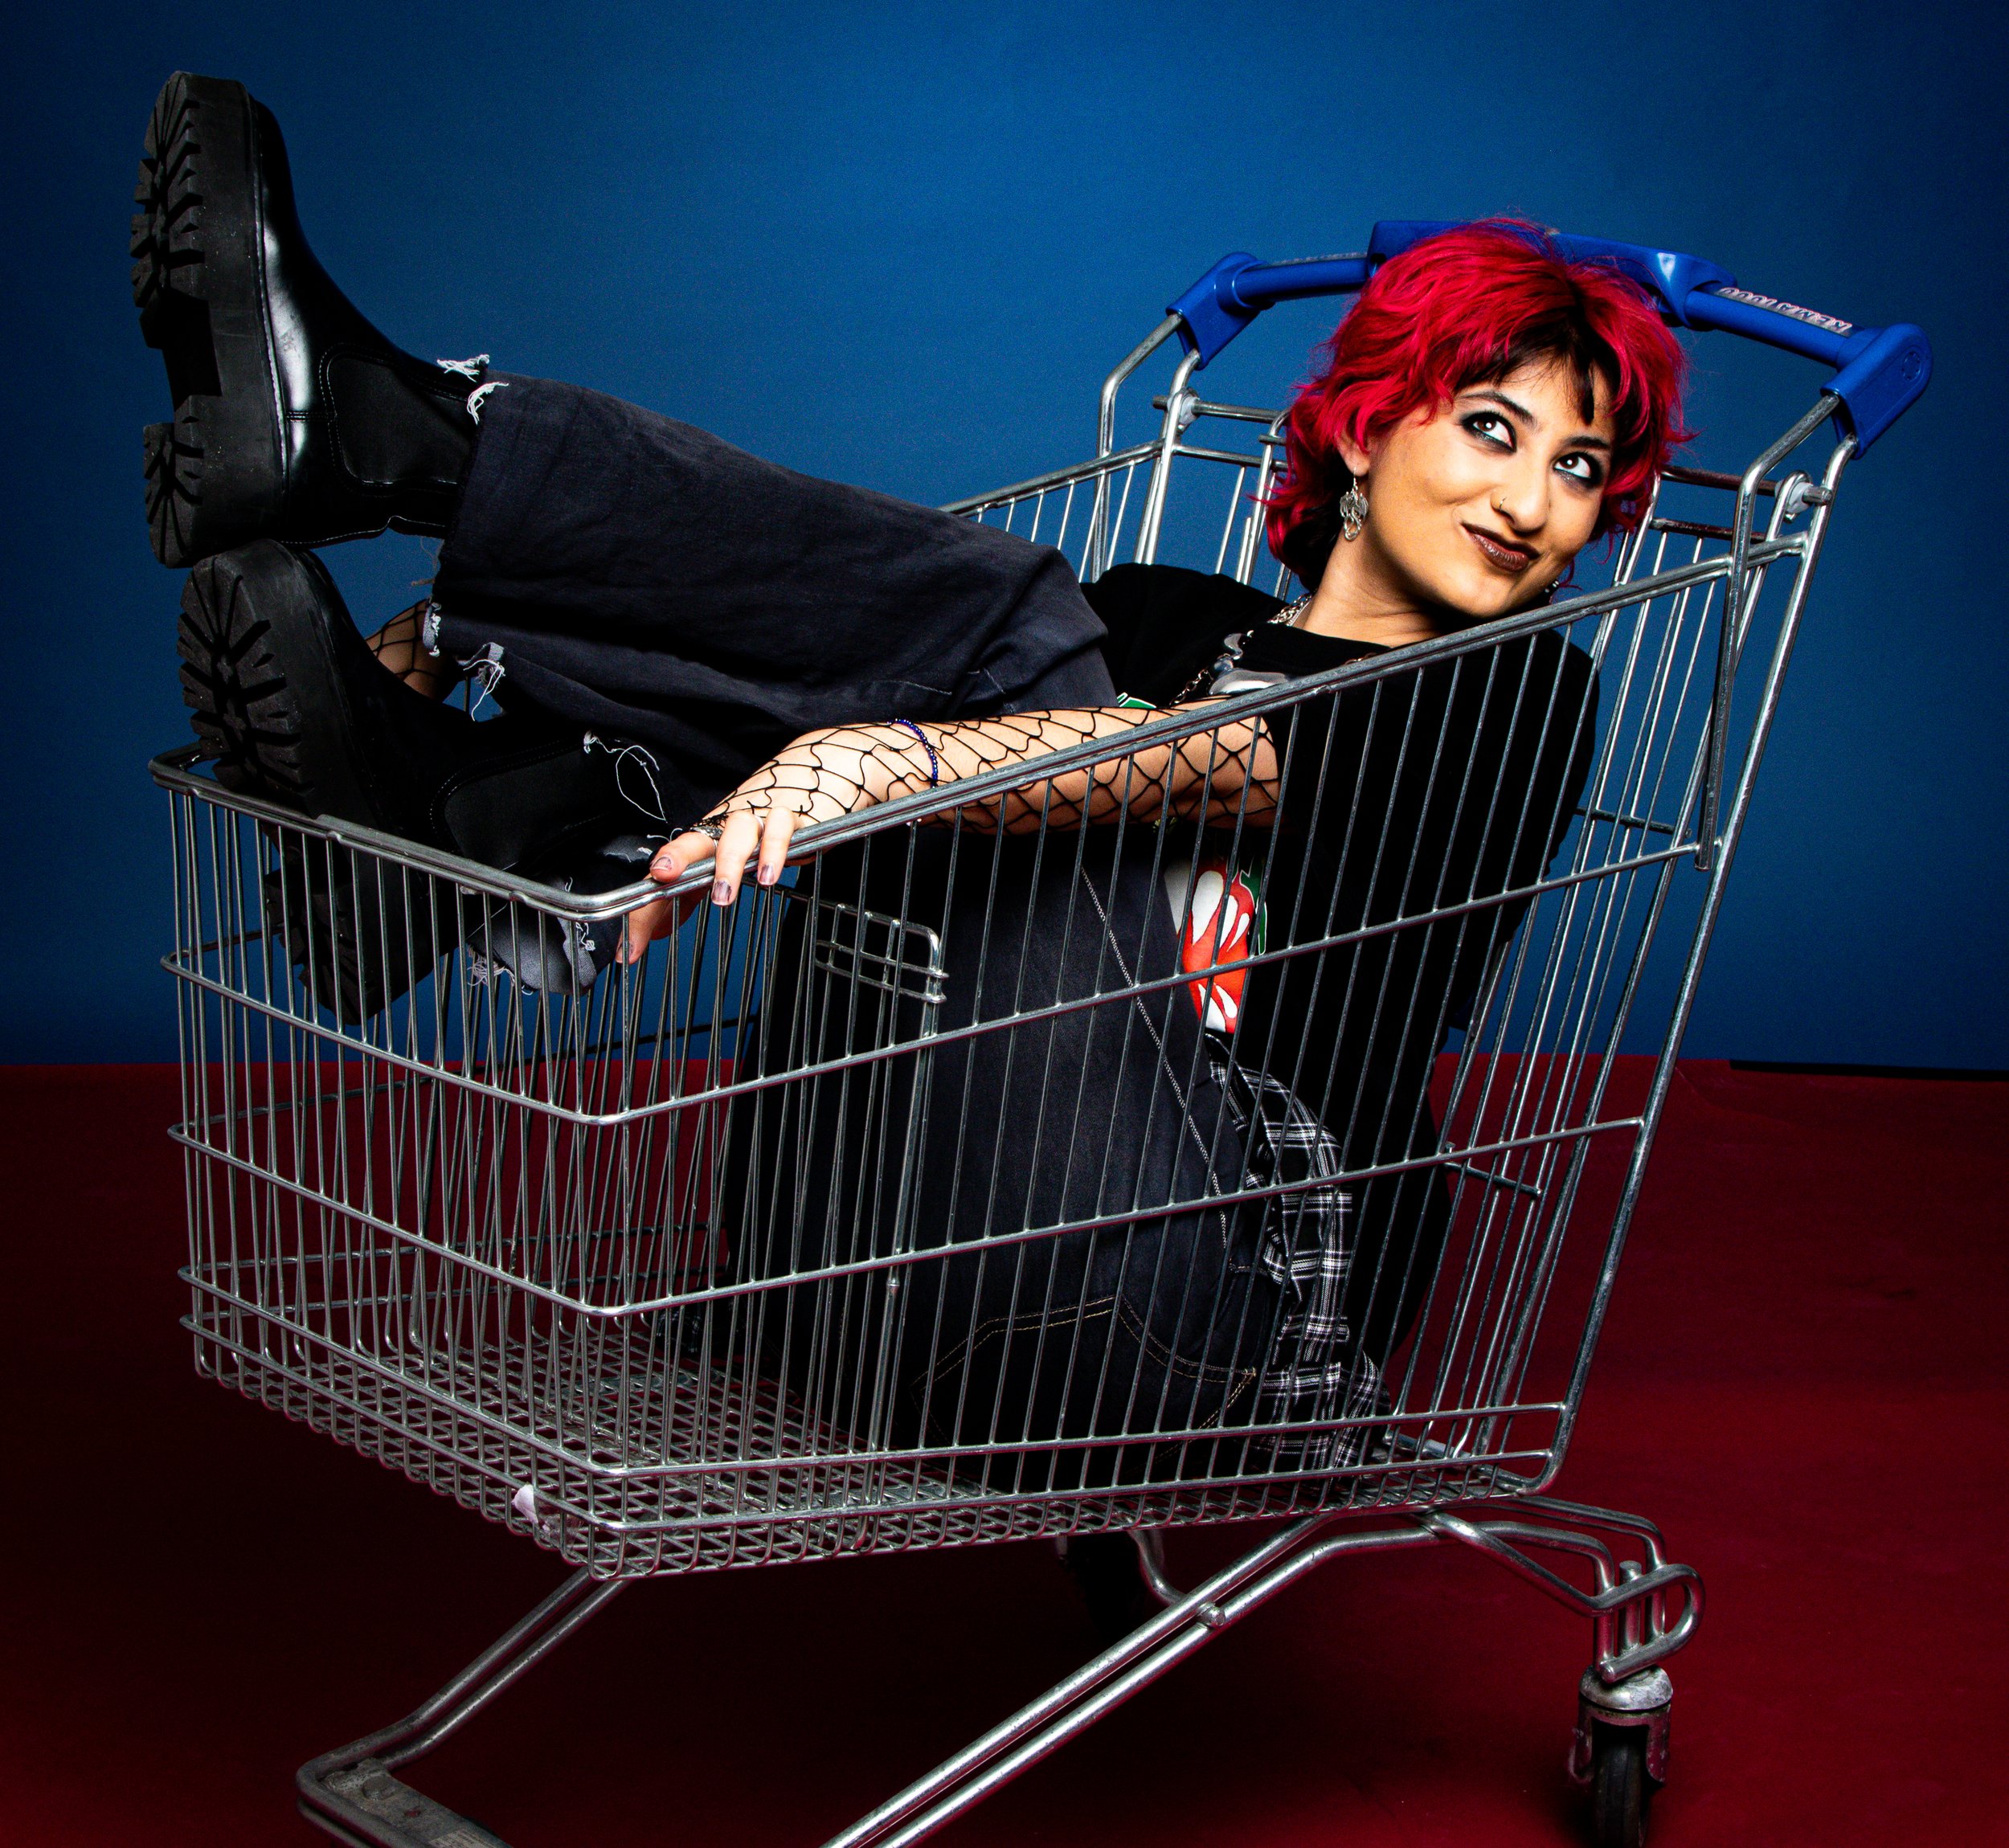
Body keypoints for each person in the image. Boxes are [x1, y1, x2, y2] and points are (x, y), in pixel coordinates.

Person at [134, 74, 1686, 1494]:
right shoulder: (1152, 618)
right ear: (1362, 432)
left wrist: (895, 761)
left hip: (1198, 1292)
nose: (1533, 504)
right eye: (1493, 428)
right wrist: (698, 720)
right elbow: (879, 670)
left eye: (1578, 467)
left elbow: (1192, 765)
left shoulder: (1510, 690)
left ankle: (410, 515)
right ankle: (460, 771)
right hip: (860, 1237)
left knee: (982, 649)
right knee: (959, 644)